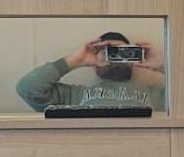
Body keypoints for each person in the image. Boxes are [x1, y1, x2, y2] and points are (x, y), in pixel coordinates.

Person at [15, 31, 166, 111]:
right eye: (107, 52)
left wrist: (162, 65)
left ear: (133, 58)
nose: (114, 58)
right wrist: (75, 60)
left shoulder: (157, 95)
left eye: (121, 52)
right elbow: (28, 88)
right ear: (94, 63)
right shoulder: (75, 95)